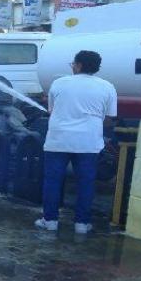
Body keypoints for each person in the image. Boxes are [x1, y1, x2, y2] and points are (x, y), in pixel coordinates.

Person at [35, 50, 117, 234]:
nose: (72, 66)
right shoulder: (107, 87)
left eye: (73, 63)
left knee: (53, 181)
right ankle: (82, 224)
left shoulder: (59, 83)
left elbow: (52, 111)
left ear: (78, 65)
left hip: (58, 140)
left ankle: (50, 221)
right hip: (88, 143)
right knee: (86, 182)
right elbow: (111, 118)